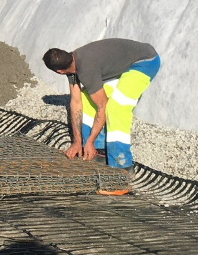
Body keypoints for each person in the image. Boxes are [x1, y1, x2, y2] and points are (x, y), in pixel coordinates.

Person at [43, 39, 160, 169]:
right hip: (122, 64)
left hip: (145, 62)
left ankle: (122, 166)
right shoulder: (71, 62)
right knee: (85, 98)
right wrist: (77, 142)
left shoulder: (86, 70)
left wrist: (90, 140)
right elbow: (76, 101)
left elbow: (103, 105)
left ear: (59, 72)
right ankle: (97, 151)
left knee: (115, 108)